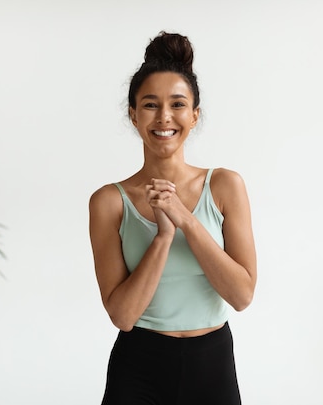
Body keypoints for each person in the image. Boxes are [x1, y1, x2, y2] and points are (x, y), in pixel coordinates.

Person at [89, 31, 257, 405]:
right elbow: (123, 316)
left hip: (212, 365)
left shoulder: (225, 186)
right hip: (138, 369)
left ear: (194, 115)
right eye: (150, 105)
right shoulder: (108, 202)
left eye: (177, 104)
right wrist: (163, 237)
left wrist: (186, 220)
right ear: (133, 115)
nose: (164, 117)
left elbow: (242, 295)